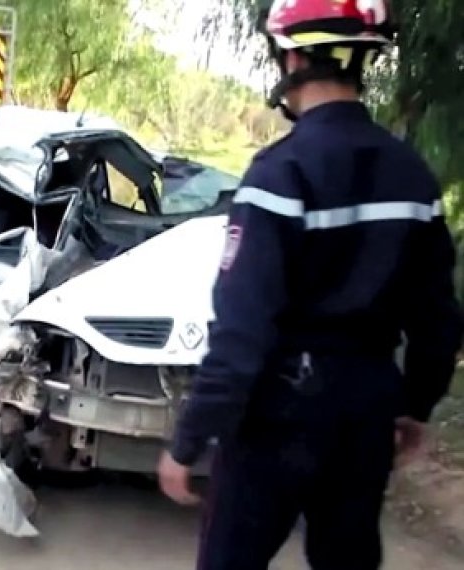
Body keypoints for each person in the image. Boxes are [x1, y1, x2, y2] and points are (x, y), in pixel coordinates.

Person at [156, 1, 463, 568]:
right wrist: (415, 405)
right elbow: (437, 319)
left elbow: (242, 334)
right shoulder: (412, 176)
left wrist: (189, 440)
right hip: (365, 416)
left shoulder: (280, 174)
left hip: (276, 415)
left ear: (292, 56)